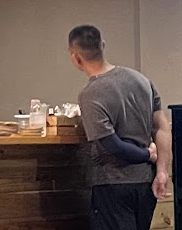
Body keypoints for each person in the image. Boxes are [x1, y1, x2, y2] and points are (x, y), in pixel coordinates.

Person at [69, 24, 170, 230]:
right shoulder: (141, 80)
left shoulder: (90, 93)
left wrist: (147, 155)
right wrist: (162, 170)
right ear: (103, 46)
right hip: (145, 182)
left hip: (112, 183)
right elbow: (162, 128)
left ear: (76, 58)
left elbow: (112, 145)